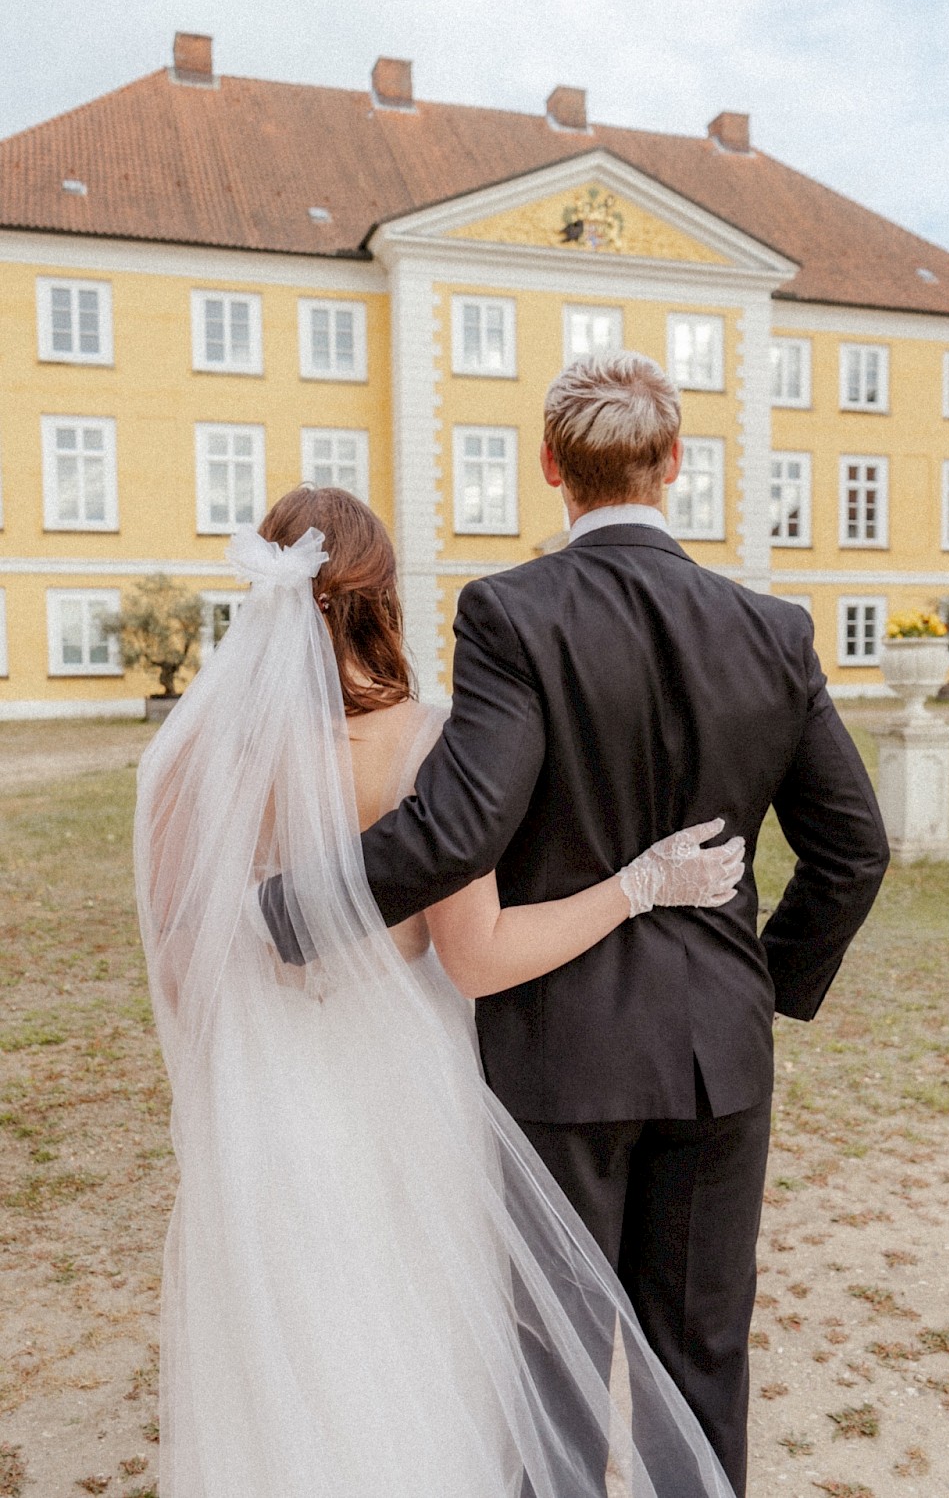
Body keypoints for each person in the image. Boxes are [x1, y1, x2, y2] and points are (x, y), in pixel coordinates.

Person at [340, 352, 888, 1495]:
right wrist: (761, 983)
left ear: (550, 466)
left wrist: (293, 906)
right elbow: (852, 849)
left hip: (559, 1049)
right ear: (674, 462)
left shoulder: (510, 611)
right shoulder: (773, 627)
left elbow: (458, 828)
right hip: (716, 1052)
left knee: (557, 1362)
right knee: (703, 1355)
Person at [133, 485, 745, 1497]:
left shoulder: (191, 753)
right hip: (402, 1096)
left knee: (283, 1352)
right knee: (414, 1341)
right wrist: (636, 887)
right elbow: (479, 958)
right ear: (383, 597)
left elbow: (177, 964)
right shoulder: (429, 742)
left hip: (264, 1098)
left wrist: (254, 1036)